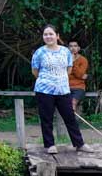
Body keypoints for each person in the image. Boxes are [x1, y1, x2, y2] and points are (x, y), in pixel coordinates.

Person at [31, 24, 84, 153]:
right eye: (45, 34)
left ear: (57, 36)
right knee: (46, 118)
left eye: (51, 34)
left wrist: (58, 81)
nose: (48, 36)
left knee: (70, 117)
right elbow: (35, 71)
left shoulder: (65, 51)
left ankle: (79, 144)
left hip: (63, 90)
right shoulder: (39, 52)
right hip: (44, 91)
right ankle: (50, 145)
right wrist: (48, 81)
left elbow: (69, 69)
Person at [67, 40, 90, 114]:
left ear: (79, 48)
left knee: (73, 103)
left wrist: (73, 61)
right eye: (71, 46)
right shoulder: (63, 59)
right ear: (68, 48)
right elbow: (64, 74)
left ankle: (72, 122)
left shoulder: (83, 60)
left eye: (75, 46)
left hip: (78, 87)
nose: (73, 48)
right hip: (65, 86)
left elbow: (79, 74)